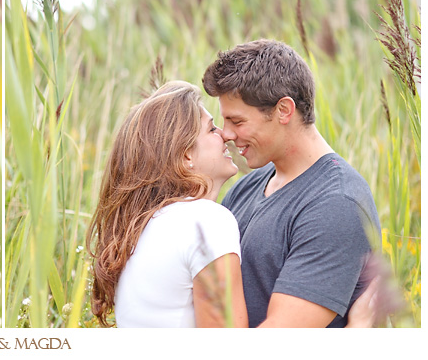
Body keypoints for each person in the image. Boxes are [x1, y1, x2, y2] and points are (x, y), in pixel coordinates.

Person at [86, 80, 377, 328]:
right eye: (213, 129)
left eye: (235, 122)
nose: (226, 134)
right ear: (186, 156)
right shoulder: (206, 221)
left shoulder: (147, 225)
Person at [202, 39, 381, 328]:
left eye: (237, 121)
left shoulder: (336, 204)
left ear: (284, 110)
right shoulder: (246, 187)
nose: (227, 134)